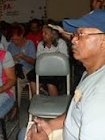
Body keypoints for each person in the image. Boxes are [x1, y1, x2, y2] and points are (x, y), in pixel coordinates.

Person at [26, 10, 105, 140]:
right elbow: (76, 113)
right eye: (74, 34)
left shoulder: (100, 96)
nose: (73, 39)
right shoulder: (90, 73)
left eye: (81, 34)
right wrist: (50, 125)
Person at [26, 24, 68, 97]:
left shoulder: (61, 43)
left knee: (50, 83)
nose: (43, 35)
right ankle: (37, 101)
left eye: (45, 33)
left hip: (57, 70)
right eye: (42, 33)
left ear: (52, 34)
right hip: (44, 70)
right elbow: (38, 60)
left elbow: (64, 59)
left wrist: (46, 59)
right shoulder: (41, 45)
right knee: (33, 80)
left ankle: (54, 103)